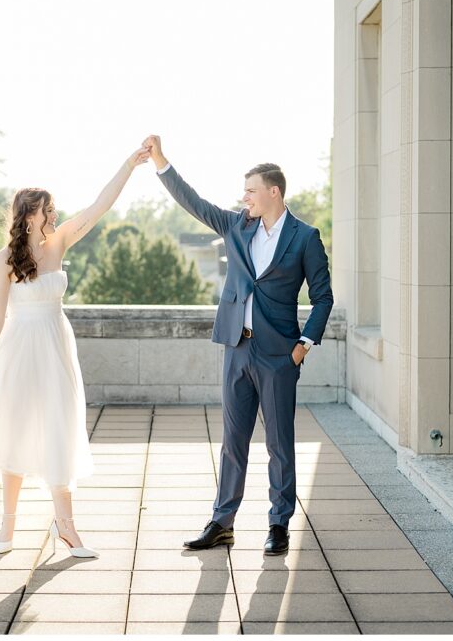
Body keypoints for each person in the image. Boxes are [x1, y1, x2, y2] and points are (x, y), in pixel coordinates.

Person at [0, 145, 152, 558]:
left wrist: (129, 165)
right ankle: (8, 525)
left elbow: (99, 207)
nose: (54, 214)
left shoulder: (59, 242)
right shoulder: (4, 259)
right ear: (29, 215)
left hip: (55, 346)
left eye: (53, 209)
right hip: (17, 351)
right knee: (13, 431)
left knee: (59, 428)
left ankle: (65, 526)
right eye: (47, 209)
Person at [143, 134, 333, 556]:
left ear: (273, 192)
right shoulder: (236, 225)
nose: (244, 197)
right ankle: (222, 522)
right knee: (233, 442)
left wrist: (303, 345)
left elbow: (323, 297)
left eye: (250, 190)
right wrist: (160, 161)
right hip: (236, 348)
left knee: (279, 444)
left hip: (279, 355)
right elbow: (193, 202)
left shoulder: (305, 237)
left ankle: (278, 524)